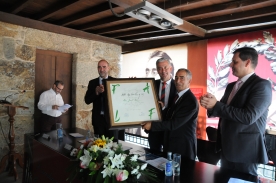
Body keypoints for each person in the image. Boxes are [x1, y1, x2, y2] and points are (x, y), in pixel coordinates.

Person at [200, 47, 272, 176]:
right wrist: (210, 105)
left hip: (245, 152)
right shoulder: (231, 86)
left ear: (248, 62)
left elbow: (248, 117)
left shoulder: (261, 85)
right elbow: (221, 109)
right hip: (226, 148)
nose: (231, 65)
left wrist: (216, 105)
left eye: (235, 61)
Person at [142, 69, 199, 160]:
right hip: (172, 144)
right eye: (176, 78)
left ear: (189, 81)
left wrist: (152, 125)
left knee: (182, 173)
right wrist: (163, 109)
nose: (177, 81)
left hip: (183, 148)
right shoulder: (179, 96)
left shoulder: (190, 101)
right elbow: (173, 115)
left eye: (181, 78)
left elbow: (174, 123)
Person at [84, 59, 124, 141]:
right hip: (98, 121)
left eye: (104, 67)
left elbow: (121, 99)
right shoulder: (92, 83)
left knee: (113, 145)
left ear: (108, 68)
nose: (101, 69)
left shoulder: (115, 81)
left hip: (112, 121)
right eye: (99, 67)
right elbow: (87, 100)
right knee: (99, 146)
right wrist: (96, 92)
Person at [147, 58, 176, 152]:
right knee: (153, 157)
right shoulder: (151, 84)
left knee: (169, 159)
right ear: (157, 70)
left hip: (170, 131)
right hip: (154, 129)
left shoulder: (178, 86)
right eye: (160, 68)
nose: (163, 71)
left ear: (170, 68)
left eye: (165, 67)